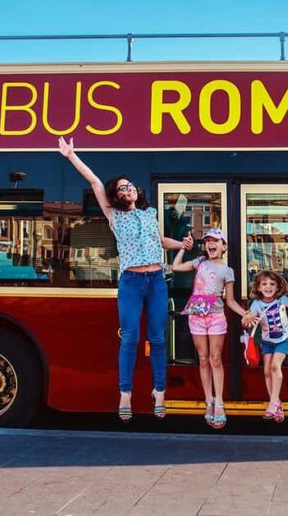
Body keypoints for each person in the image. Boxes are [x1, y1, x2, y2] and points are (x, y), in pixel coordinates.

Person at [57, 137, 193, 423]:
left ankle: (159, 392)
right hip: (131, 282)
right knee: (129, 338)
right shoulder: (115, 215)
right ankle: (126, 394)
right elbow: (94, 182)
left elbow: (160, 241)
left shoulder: (150, 214)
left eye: (130, 185)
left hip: (156, 280)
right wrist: (71, 156)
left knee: (157, 339)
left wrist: (181, 245)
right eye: (122, 188)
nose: (128, 189)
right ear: (116, 196)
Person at [170, 227, 247, 429]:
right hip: (196, 315)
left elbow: (229, 301)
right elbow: (176, 267)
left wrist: (245, 314)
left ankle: (219, 402)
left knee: (215, 358)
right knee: (203, 360)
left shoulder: (227, 270)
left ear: (224, 247)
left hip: (215, 317)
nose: (211, 243)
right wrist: (183, 248)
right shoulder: (200, 262)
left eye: (215, 240)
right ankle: (208, 400)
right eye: (208, 241)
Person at [242, 270, 288, 423]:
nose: (268, 287)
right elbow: (246, 321)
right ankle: (276, 403)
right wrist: (246, 318)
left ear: (277, 287)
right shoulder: (256, 304)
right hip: (267, 341)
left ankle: (273, 403)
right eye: (264, 284)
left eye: (272, 284)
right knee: (267, 370)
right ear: (258, 287)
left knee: (275, 366)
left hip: (284, 339)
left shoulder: (281, 300)